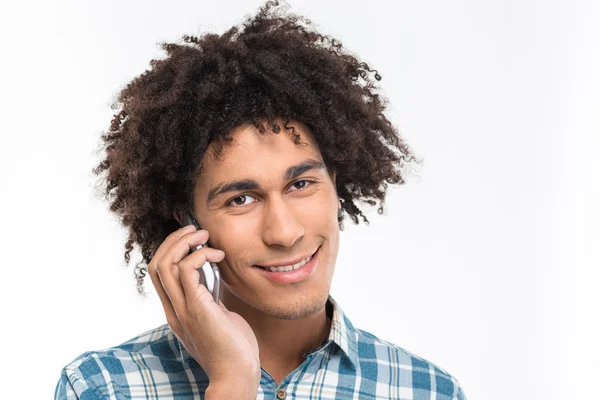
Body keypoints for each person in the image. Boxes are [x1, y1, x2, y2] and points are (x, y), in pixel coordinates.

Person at [54, 1, 466, 398]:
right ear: (189, 224)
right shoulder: (104, 387)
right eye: (241, 199)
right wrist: (233, 382)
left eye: (301, 184)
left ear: (335, 188)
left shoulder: (426, 391)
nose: (285, 233)